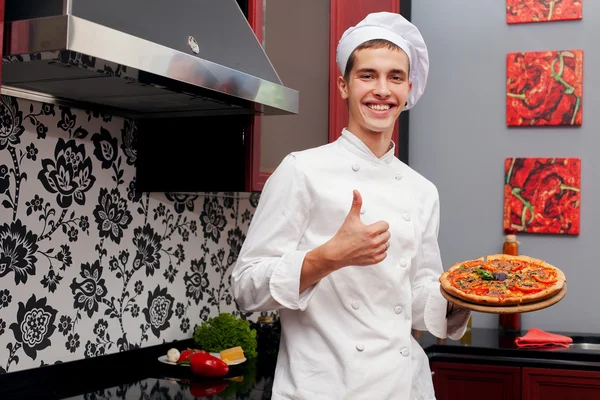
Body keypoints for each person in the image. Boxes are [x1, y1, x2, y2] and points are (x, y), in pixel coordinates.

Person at [232, 11, 471, 400]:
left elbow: (416, 296)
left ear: (408, 88)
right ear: (344, 85)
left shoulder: (422, 190)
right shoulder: (301, 170)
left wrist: (464, 297)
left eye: (395, 77)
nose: (382, 90)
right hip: (323, 389)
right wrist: (329, 256)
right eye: (367, 76)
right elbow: (245, 288)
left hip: (403, 388)